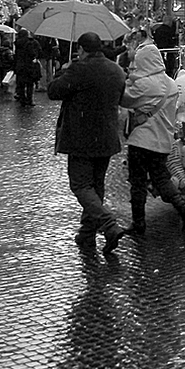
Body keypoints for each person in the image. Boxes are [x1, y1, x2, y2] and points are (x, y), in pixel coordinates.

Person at [47, 32, 127, 255]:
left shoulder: (79, 69)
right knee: (96, 185)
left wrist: (65, 70)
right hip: (107, 136)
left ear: (82, 49)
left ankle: (108, 224)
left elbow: (53, 92)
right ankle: (87, 233)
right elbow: (120, 97)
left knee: (81, 185)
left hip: (82, 136)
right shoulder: (116, 69)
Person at [122, 41, 185, 237]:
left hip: (141, 140)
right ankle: (184, 211)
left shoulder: (144, 84)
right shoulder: (171, 83)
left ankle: (138, 223)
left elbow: (125, 99)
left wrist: (129, 79)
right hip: (163, 141)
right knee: (162, 178)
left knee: (137, 183)